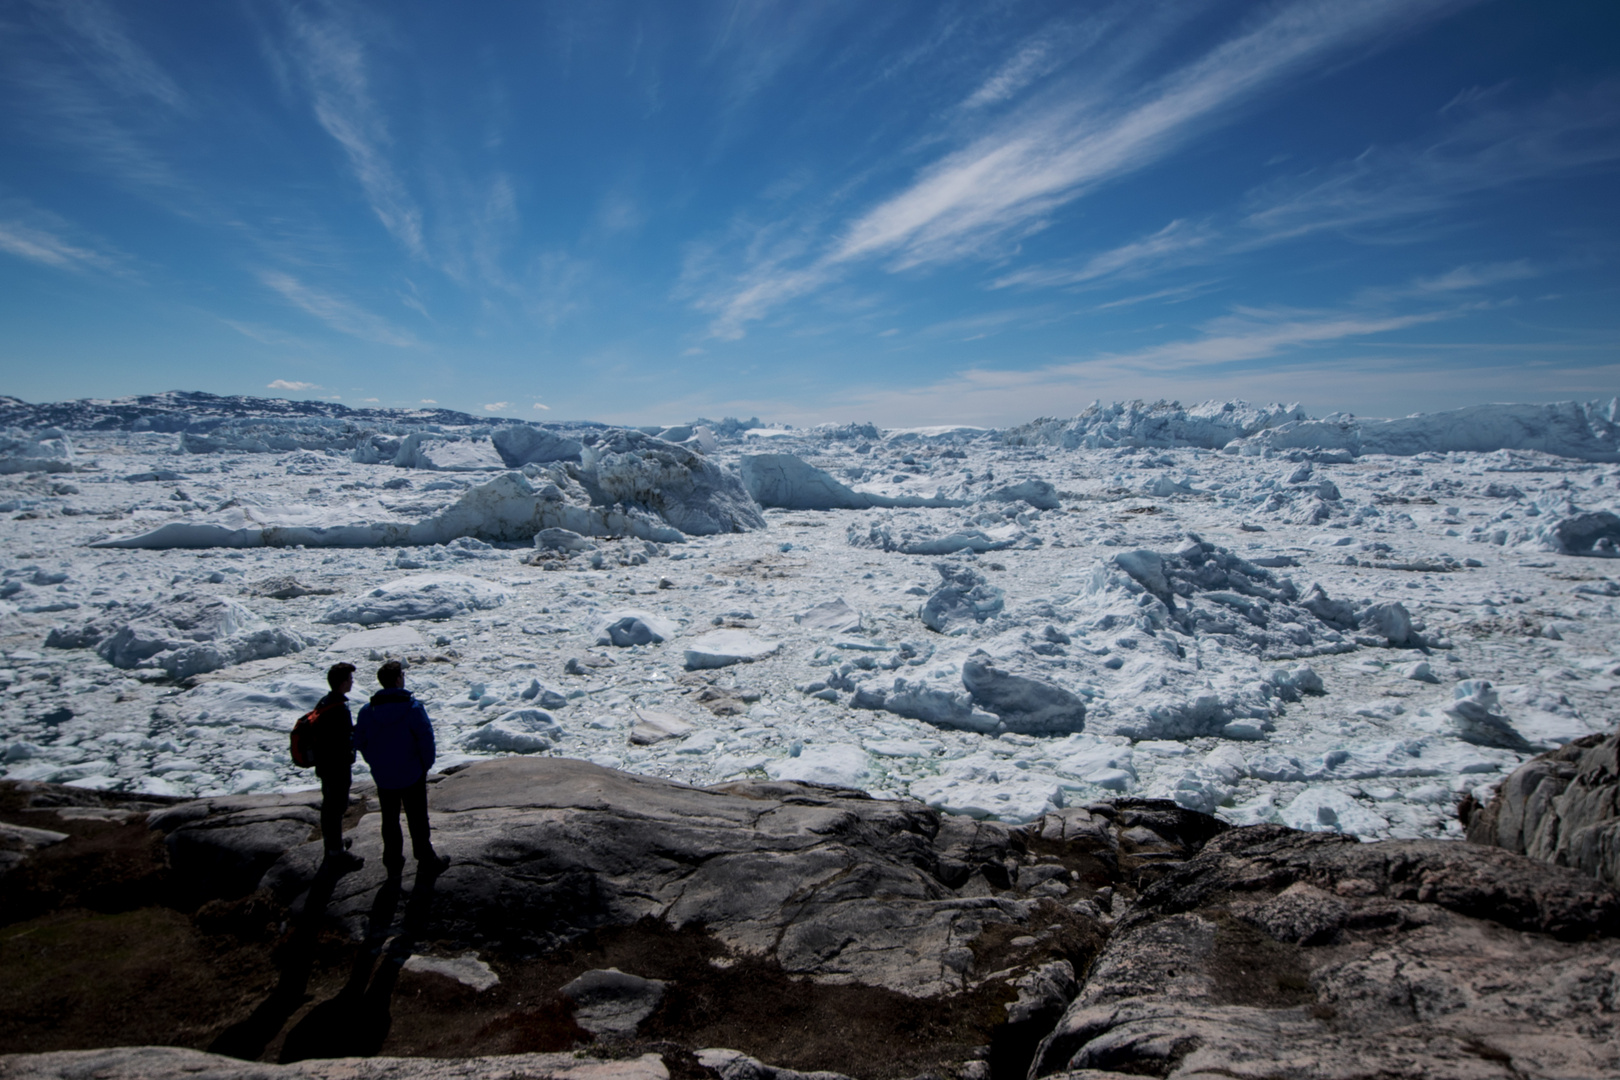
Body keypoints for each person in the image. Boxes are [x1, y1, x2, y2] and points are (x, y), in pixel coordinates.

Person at [354, 660, 450, 877]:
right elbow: (426, 739)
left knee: (389, 818)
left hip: (383, 774)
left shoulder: (367, 711)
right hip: (412, 773)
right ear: (398, 680)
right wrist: (425, 766)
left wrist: (374, 762)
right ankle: (425, 858)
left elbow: (359, 741)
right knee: (417, 817)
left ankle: (392, 859)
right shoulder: (413, 708)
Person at [314, 662, 364, 873]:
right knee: (336, 807)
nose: (352, 683)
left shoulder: (325, 703)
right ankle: (336, 853)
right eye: (350, 679)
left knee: (330, 806)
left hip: (325, 764)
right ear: (343, 682)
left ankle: (333, 846)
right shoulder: (338, 709)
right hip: (337, 766)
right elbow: (343, 739)